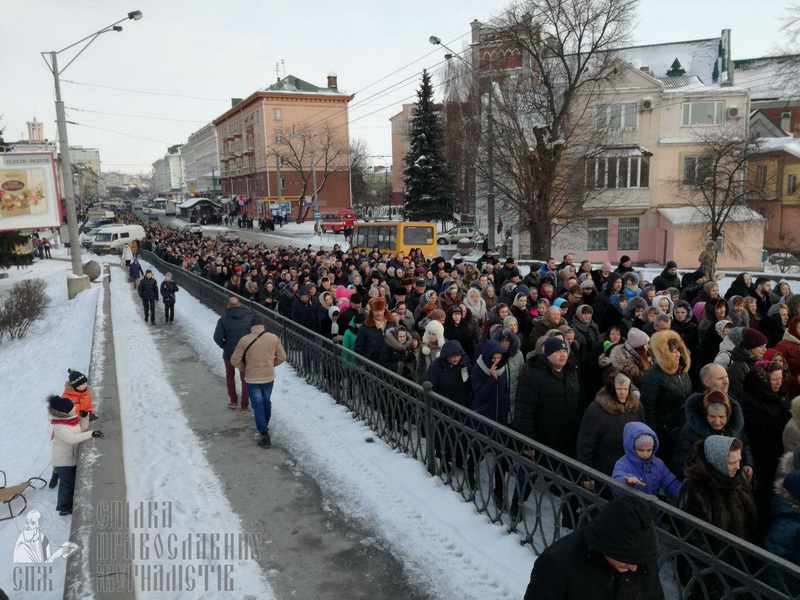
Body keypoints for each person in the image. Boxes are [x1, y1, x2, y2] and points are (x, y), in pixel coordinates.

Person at [523, 496, 664, 600]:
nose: (633, 568)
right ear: (606, 544)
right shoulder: (556, 565)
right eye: (625, 558)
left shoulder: (643, 558)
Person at [679, 436, 757, 544]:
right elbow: (696, 539)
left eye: (739, 461)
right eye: (731, 462)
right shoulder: (695, 488)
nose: (738, 467)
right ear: (718, 461)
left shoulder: (739, 477)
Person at [577, 372, 645, 486]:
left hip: (632, 469)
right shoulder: (595, 410)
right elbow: (585, 445)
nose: (623, 393)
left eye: (626, 389)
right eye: (619, 389)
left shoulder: (637, 406)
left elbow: (644, 434)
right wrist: (587, 475)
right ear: (612, 389)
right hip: (605, 470)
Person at [230, 314, 286, 448]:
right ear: (263, 325)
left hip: (252, 378)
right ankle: (264, 425)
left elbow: (234, 360)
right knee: (266, 401)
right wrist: (271, 365)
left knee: (257, 405)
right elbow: (282, 357)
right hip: (268, 376)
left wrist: (246, 368)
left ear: (251, 326)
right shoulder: (273, 338)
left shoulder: (244, 340)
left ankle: (264, 433)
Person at [640, 330, 692, 464]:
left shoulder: (682, 371)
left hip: (682, 427)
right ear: (664, 353)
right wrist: (653, 434)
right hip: (664, 432)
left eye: (678, 350)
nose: (677, 354)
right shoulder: (653, 376)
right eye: (673, 351)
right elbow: (648, 407)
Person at [48, 395, 103, 516]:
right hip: (63, 461)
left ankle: (70, 502)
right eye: (73, 407)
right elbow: (72, 438)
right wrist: (91, 434)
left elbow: (81, 430)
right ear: (65, 411)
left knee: (71, 482)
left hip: (71, 458)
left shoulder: (71, 420)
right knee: (67, 483)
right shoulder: (59, 426)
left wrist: (84, 418)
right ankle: (63, 507)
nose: (75, 408)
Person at [612, 422, 682, 499]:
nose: (645, 454)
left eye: (649, 450)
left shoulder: (658, 464)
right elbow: (617, 483)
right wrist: (627, 480)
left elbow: (672, 484)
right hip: (631, 507)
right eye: (641, 450)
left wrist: (687, 494)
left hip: (652, 508)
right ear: (632, 448)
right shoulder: (623, 463)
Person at [213, 297, 253, 411]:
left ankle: (233, 400)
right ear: (239, 305)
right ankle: (245, 405)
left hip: (229, 353)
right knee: (245, 378)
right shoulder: (249, 318)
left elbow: (217, 337)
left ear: (228, 306)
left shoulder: (223, 320)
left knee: (230, 376)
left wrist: (224, 346)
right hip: (244, 353)